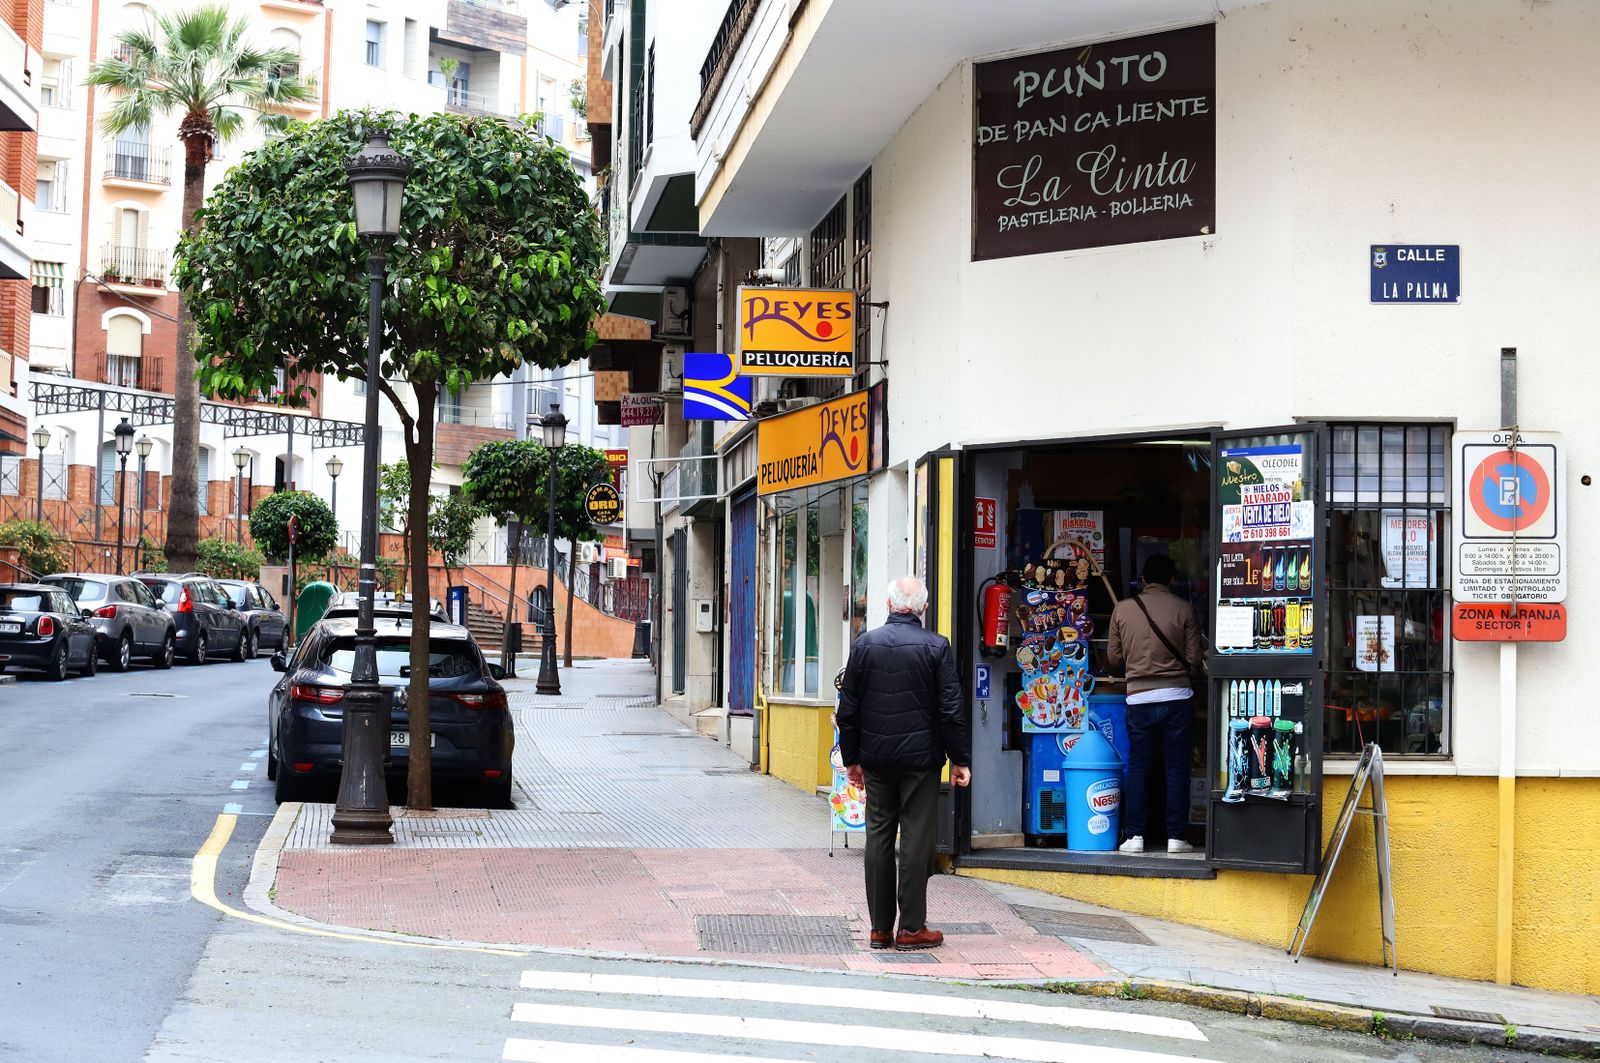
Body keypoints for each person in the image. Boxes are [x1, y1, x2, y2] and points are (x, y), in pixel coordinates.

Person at [838, 575, 972, 951]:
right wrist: (959, 759)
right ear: (923, 608)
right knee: (916, 838)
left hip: (877, 759)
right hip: (921, 760)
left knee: (878, 835)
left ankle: (880, 929)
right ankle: (912, 929)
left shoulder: (865, 644)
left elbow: (848, 709)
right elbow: (951, 710)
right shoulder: (936, 646)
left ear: (888, 604)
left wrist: (852, 759)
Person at [1107, 553, 1202, 855]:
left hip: (1139, 699)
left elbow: (1113, 659)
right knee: (1176, 770)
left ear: (1143, 580)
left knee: (1139, 769)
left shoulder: (1122, 610)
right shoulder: (1185, 608)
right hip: (1177, 698)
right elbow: (1194, 660)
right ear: (1172, 580)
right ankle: (1176, 836)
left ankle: (1135, 836)